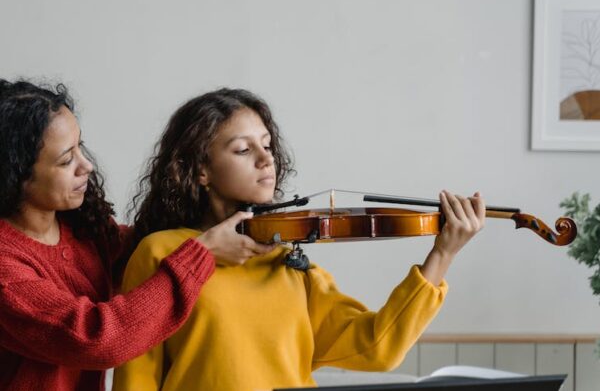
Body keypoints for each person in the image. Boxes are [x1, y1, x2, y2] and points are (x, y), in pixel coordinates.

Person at [113, 88, 486, 391]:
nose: (266, 160)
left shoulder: (287, 257)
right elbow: (136, 380)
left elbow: (378, 348)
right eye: (244, 150)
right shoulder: (164, 252)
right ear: (199, 171)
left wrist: (443, 253)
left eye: (267, 146)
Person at [0, 80, 273, 391]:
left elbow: (146, 246)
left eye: (81, 147)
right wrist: (203, 254)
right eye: (66, 160)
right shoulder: (6, 270)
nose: (87, 165)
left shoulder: (82, 230)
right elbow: (96, 340)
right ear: (13, 176)